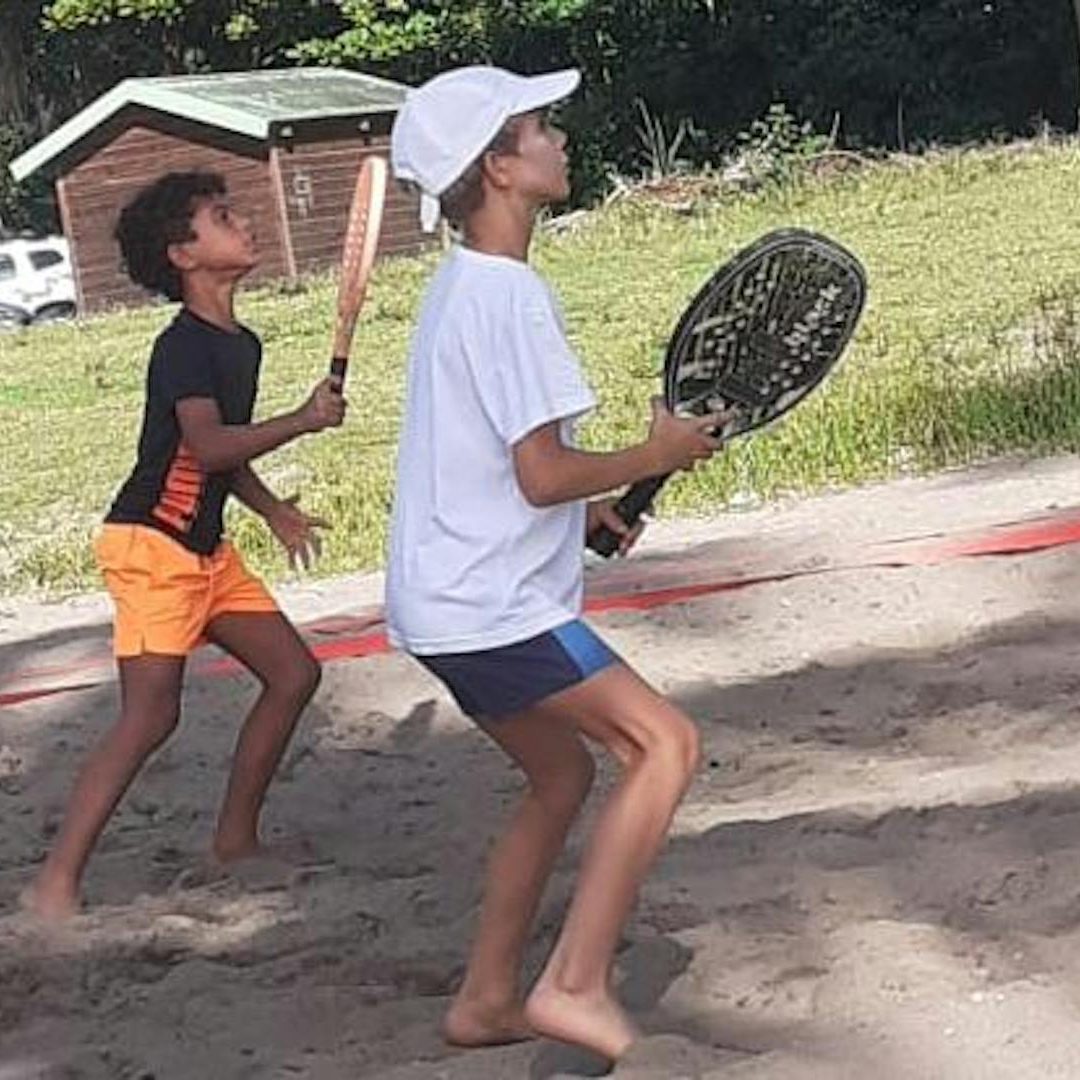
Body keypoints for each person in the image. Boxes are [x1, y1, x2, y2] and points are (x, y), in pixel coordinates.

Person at [385, 66, 732, 1061]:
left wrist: (597, 516)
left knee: (559, 777)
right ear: (498, 166)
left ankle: (485, 999)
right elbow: (539, 472)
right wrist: (655, 455)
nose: (558, 140)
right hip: (489, 607)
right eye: (539, 128)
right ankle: (573, 983)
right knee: (664, 746)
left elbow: (501, 476)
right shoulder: (507, 296)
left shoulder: (464, 288)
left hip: (445, 602)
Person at [23, 170, 346, 919]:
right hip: (150, 548)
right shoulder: (182, 348)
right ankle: (54, 883)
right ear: (184, 255)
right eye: (222, 218)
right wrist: (301, 420)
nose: (245, 224)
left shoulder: (243, 343)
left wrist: (272, 511)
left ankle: (235, 841)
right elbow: (202, 448)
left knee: (294, 674)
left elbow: (224, 457)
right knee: (150, 716)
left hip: (206, 551)